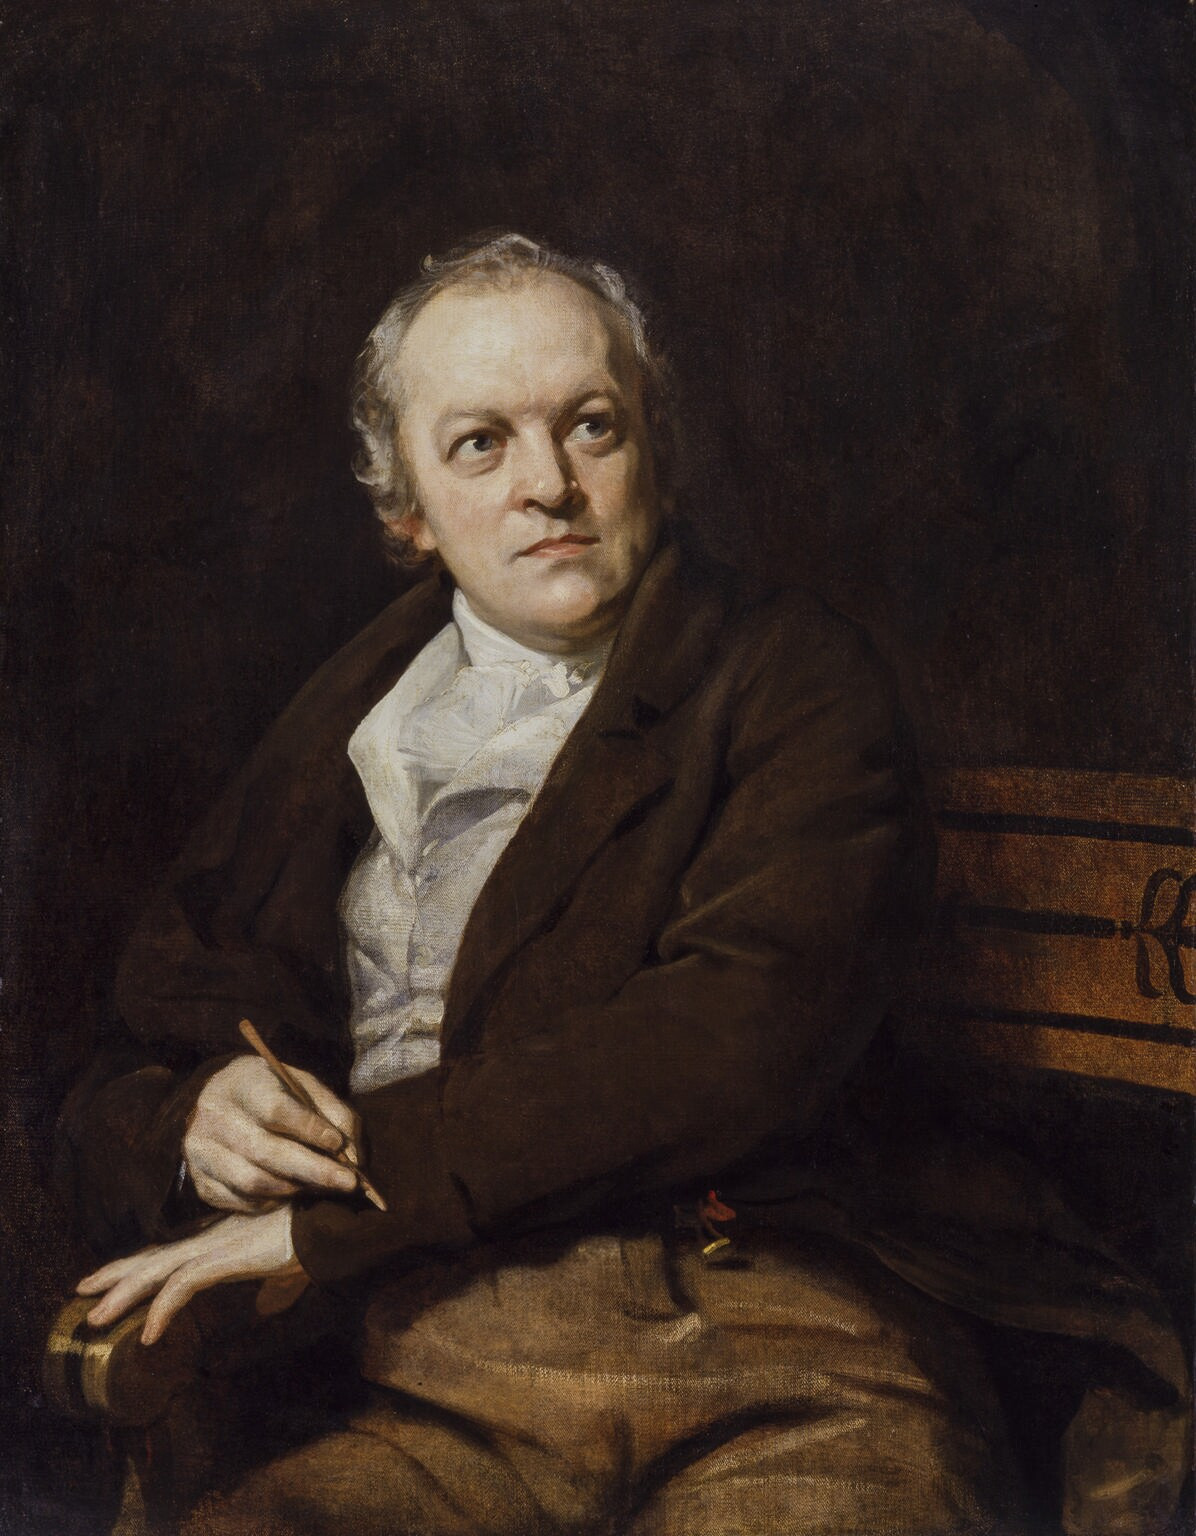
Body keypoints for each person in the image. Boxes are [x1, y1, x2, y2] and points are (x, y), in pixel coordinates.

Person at [61, 235, 1188, 1535]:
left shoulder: (791, 679)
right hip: (405, 1370)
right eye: (481, 444)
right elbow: (142, 1045)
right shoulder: (341, 728)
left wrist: (354, 1191)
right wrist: (197, 1114)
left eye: (590, 425)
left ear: (652, 447)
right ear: (408, 512)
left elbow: (727, 1041)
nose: (549, 483)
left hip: (769, 1339)